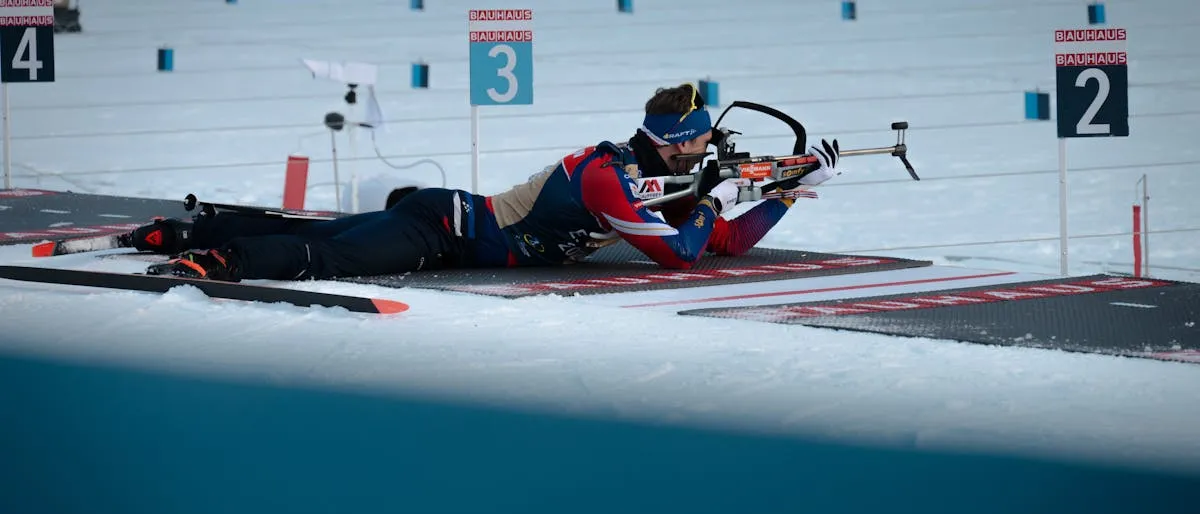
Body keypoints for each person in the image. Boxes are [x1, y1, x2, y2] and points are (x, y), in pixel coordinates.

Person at [138, 83, 841, 282]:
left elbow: (725, 242)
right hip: (444, 230)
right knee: (331, 256)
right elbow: (682, 254)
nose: (706, 154)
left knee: (324, 230)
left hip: (450, 222)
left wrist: (781, 194)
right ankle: (218, 260)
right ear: (675, 142)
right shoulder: (610, 179)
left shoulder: (648, 178)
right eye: (701, 145)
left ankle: (186, 230)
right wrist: (714, 196)